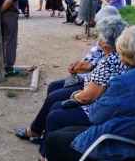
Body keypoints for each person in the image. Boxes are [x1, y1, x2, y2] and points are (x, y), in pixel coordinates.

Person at [44, 26, 135, 161]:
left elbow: (95, 116)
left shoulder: (123, 82)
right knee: (64, 131)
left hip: (124, 146)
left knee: (54, 140)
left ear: (124, 55)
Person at [14, 8, 123, 144]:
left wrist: (75, 95)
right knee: (54, 89)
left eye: (100, 34)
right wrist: (80, 66)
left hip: (93, 96)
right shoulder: (114, 49)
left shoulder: (111, 58)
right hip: (90, 85)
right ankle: (42, 134)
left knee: (55, 103)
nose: (98, 37)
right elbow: (92, 62)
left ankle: (42, 138)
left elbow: (90, 93)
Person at [38, 16, 129, 158]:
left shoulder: (110, 60)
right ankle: (45, 148)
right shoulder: (121, 56)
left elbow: (88, 97)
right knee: (56, 105)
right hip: (108, 108)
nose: (98, 40)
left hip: (100, 112)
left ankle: (47, 154)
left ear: (106, 43)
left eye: (100, 37)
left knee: (55, 114)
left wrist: (75, 95)